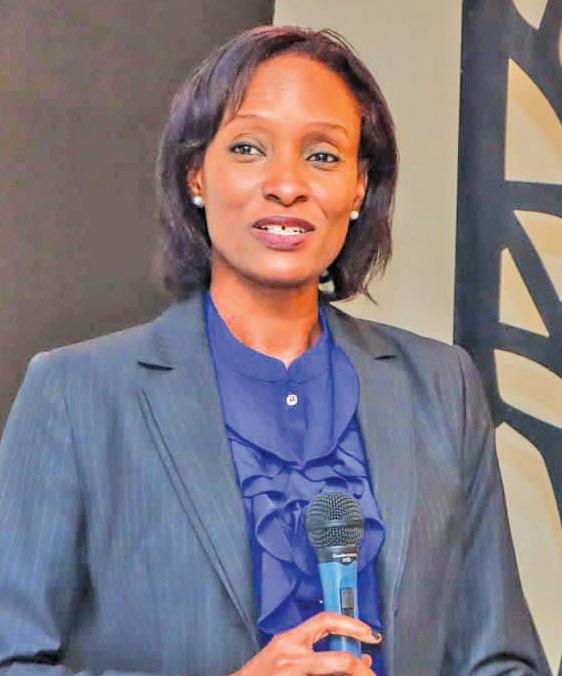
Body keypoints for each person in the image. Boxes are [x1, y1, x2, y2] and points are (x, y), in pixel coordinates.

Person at [0, 25, 550, 676]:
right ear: (196, 175)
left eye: (322, 155)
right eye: (249, 148)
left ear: (358, 186)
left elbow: (501, 661)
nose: (287, 184)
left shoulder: (441, 386)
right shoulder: (76, 394)